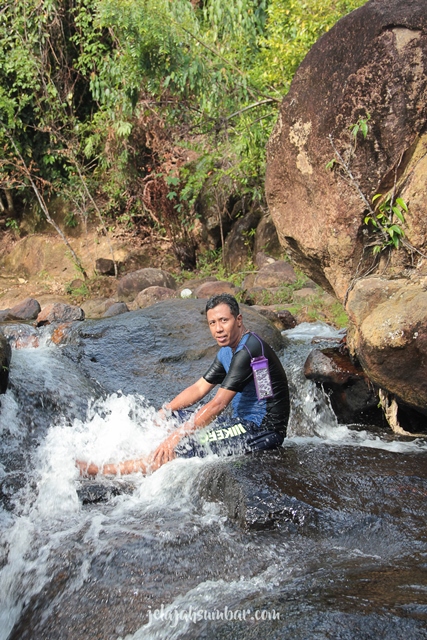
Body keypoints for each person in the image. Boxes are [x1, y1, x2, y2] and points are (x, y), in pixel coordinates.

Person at [77, 293, 290, 477]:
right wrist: (166, 410)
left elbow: (217, 404)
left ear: (239, 320)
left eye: (224, 320)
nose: (218, 329)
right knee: (168, 419)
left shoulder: (251, 348)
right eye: (212, 323)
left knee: (184, 443)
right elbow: (199, 388)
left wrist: (176, 436)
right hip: (240, 422)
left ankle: (103, 470)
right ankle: (130, 455)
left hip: (262, 430)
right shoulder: (227, 351)